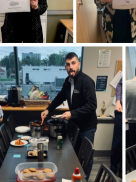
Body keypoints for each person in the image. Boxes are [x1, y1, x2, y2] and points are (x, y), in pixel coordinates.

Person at [41, 52, 97, 180]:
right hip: (76, 125)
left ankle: (84, 179)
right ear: (65, 67)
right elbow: (60, 97)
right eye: (67, 64)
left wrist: (72, 113)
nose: (70, 67)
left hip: (87, 127)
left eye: (73, 63)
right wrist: (48, 110)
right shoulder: (68, 81)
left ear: (79, 64)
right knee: (75, 156)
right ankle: (74, 177)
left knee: (85, 156)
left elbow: (92, 105)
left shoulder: (86, 81)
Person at [110, 77, 122, 178]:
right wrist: (118, 101)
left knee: (126, 143)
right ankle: (112, 172)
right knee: (117, 143)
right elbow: (119, 85)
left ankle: (122, 171)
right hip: (120, 111)